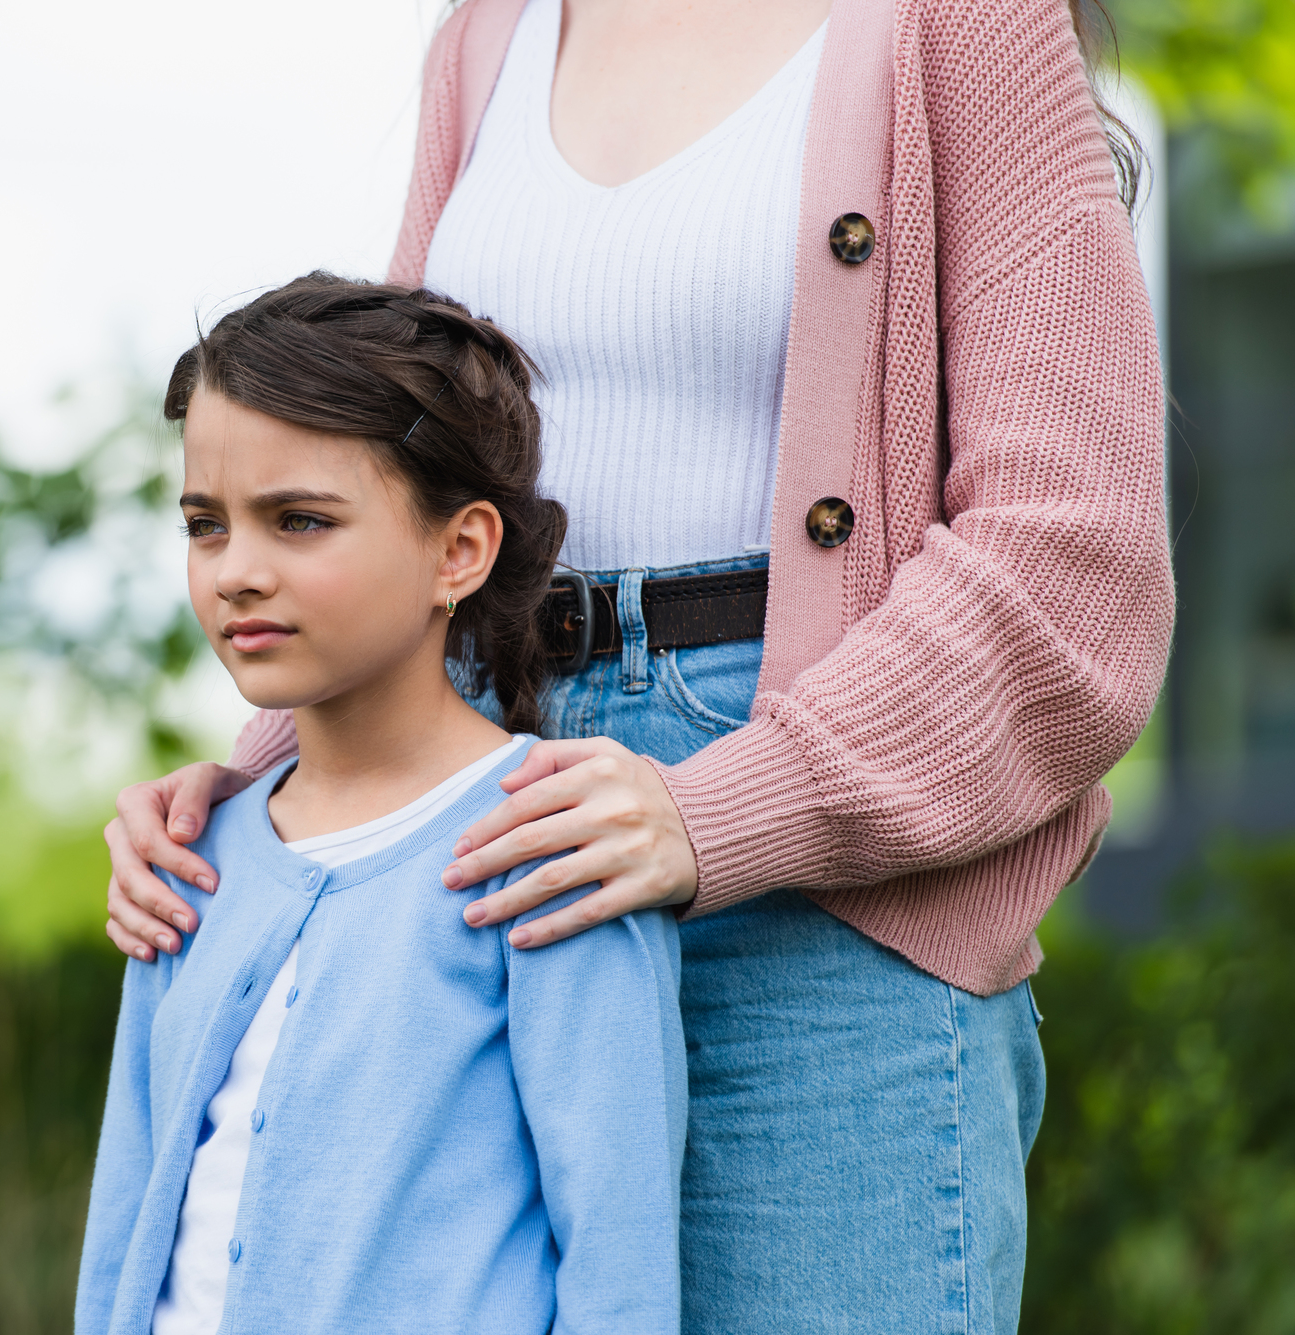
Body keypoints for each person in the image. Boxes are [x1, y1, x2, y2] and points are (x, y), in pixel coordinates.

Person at [103, 0, 1174, 1329]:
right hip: (495, 833)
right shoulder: (487, 37)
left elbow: (1074, 559)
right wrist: (256, 799)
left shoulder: (956, 22)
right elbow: (393, 495)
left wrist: (717, 809)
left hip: (833, 875)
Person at [76, 276, 689, 1335]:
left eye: (298, 521)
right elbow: (123, 1216)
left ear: (458, 552)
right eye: (204, 525)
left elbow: (616, 1263)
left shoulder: (550, 844)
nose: (236, 573)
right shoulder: (186, 855)